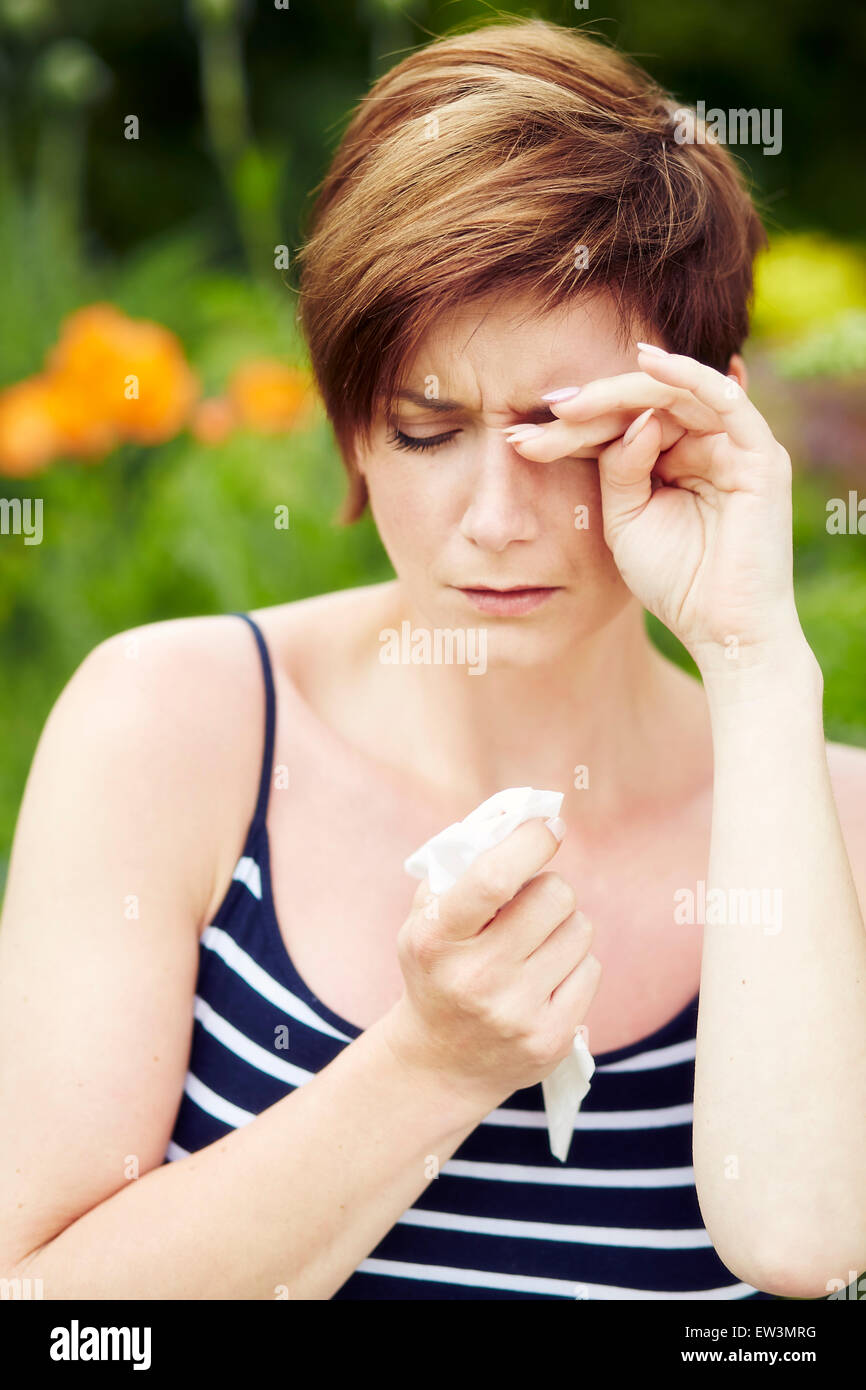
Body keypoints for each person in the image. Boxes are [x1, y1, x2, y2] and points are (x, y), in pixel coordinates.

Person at [2, 18, 866, 1302]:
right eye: (425, 427)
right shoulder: (174, 725)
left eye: (559, 430)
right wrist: (433, 1062)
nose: (494, 519)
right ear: (353, 432)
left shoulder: (828, 820)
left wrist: (752, 659)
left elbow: (801, 1246)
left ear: (701, 425)